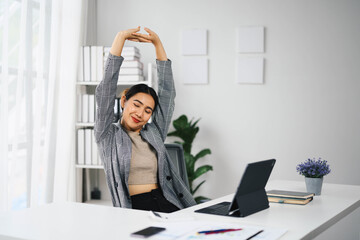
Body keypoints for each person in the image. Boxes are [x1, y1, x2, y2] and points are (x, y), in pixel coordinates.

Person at [94, 27, 196, 213]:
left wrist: (157, 44)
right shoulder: (107, 135)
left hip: (167, 201)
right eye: (137, 104)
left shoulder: (154, 133)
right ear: (124, 100)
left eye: (147, 110)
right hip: (136, 208)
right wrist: (120, 39)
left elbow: (167, 95)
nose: (140, 113)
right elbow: (105, 90)